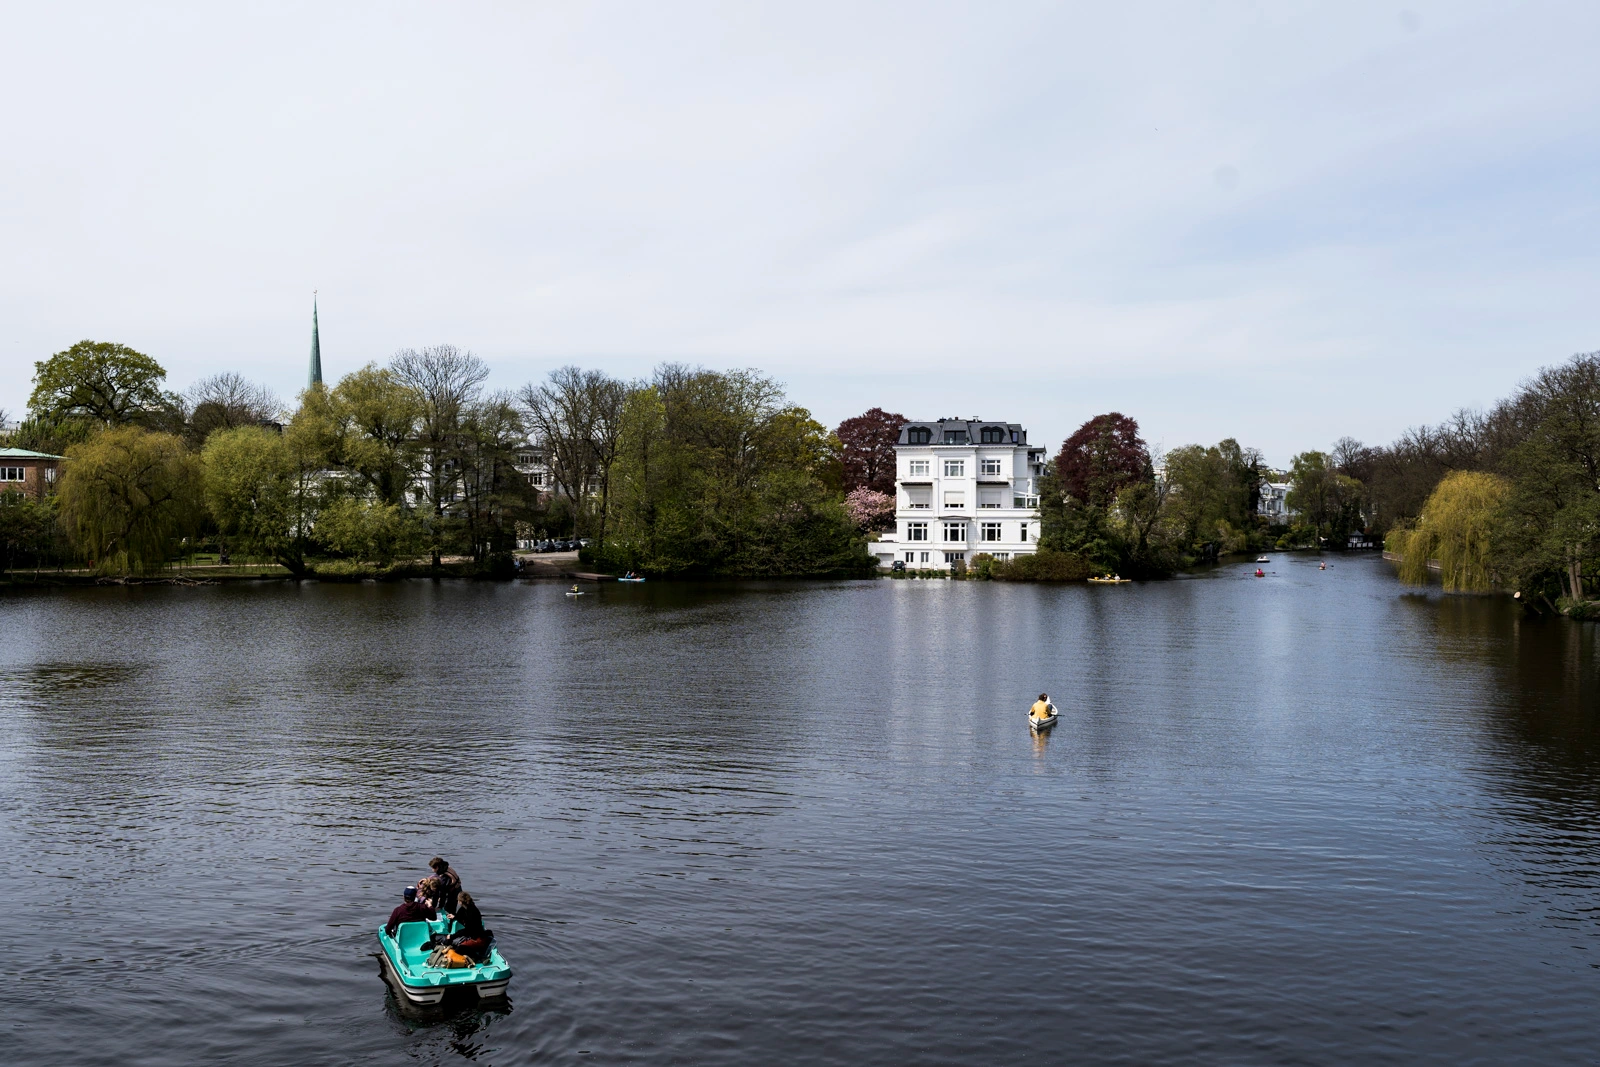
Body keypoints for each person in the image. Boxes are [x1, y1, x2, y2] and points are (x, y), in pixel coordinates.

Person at [449, 890, 494, 962]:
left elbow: (467, 930)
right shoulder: (465, 907)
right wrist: (454, 917)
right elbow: (460, 915)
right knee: (454, 943)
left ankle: (479, 957)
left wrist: (452, 936)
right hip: (472, 935)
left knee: (459, 949)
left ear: (460, 902)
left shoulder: (472, 912)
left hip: (478, 938)